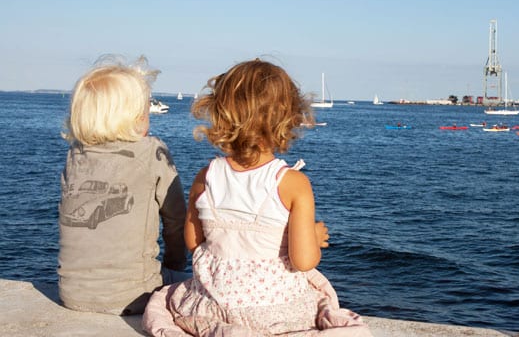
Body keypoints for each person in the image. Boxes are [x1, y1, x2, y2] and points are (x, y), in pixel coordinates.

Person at [143, 59, 370, 336]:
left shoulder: (206, 176)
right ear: (289, 117)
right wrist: (311, 235)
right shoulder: (294, 183)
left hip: (214, 306)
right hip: (275, 312)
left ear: (221, 112)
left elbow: (193, 242)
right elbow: (304, 261)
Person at [58, 55, 188, 315]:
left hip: (71, 293)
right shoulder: (152, 152)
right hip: (135, 293)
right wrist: (175, 266)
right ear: (136, 117)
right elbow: (176, 220)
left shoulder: (75, 155)